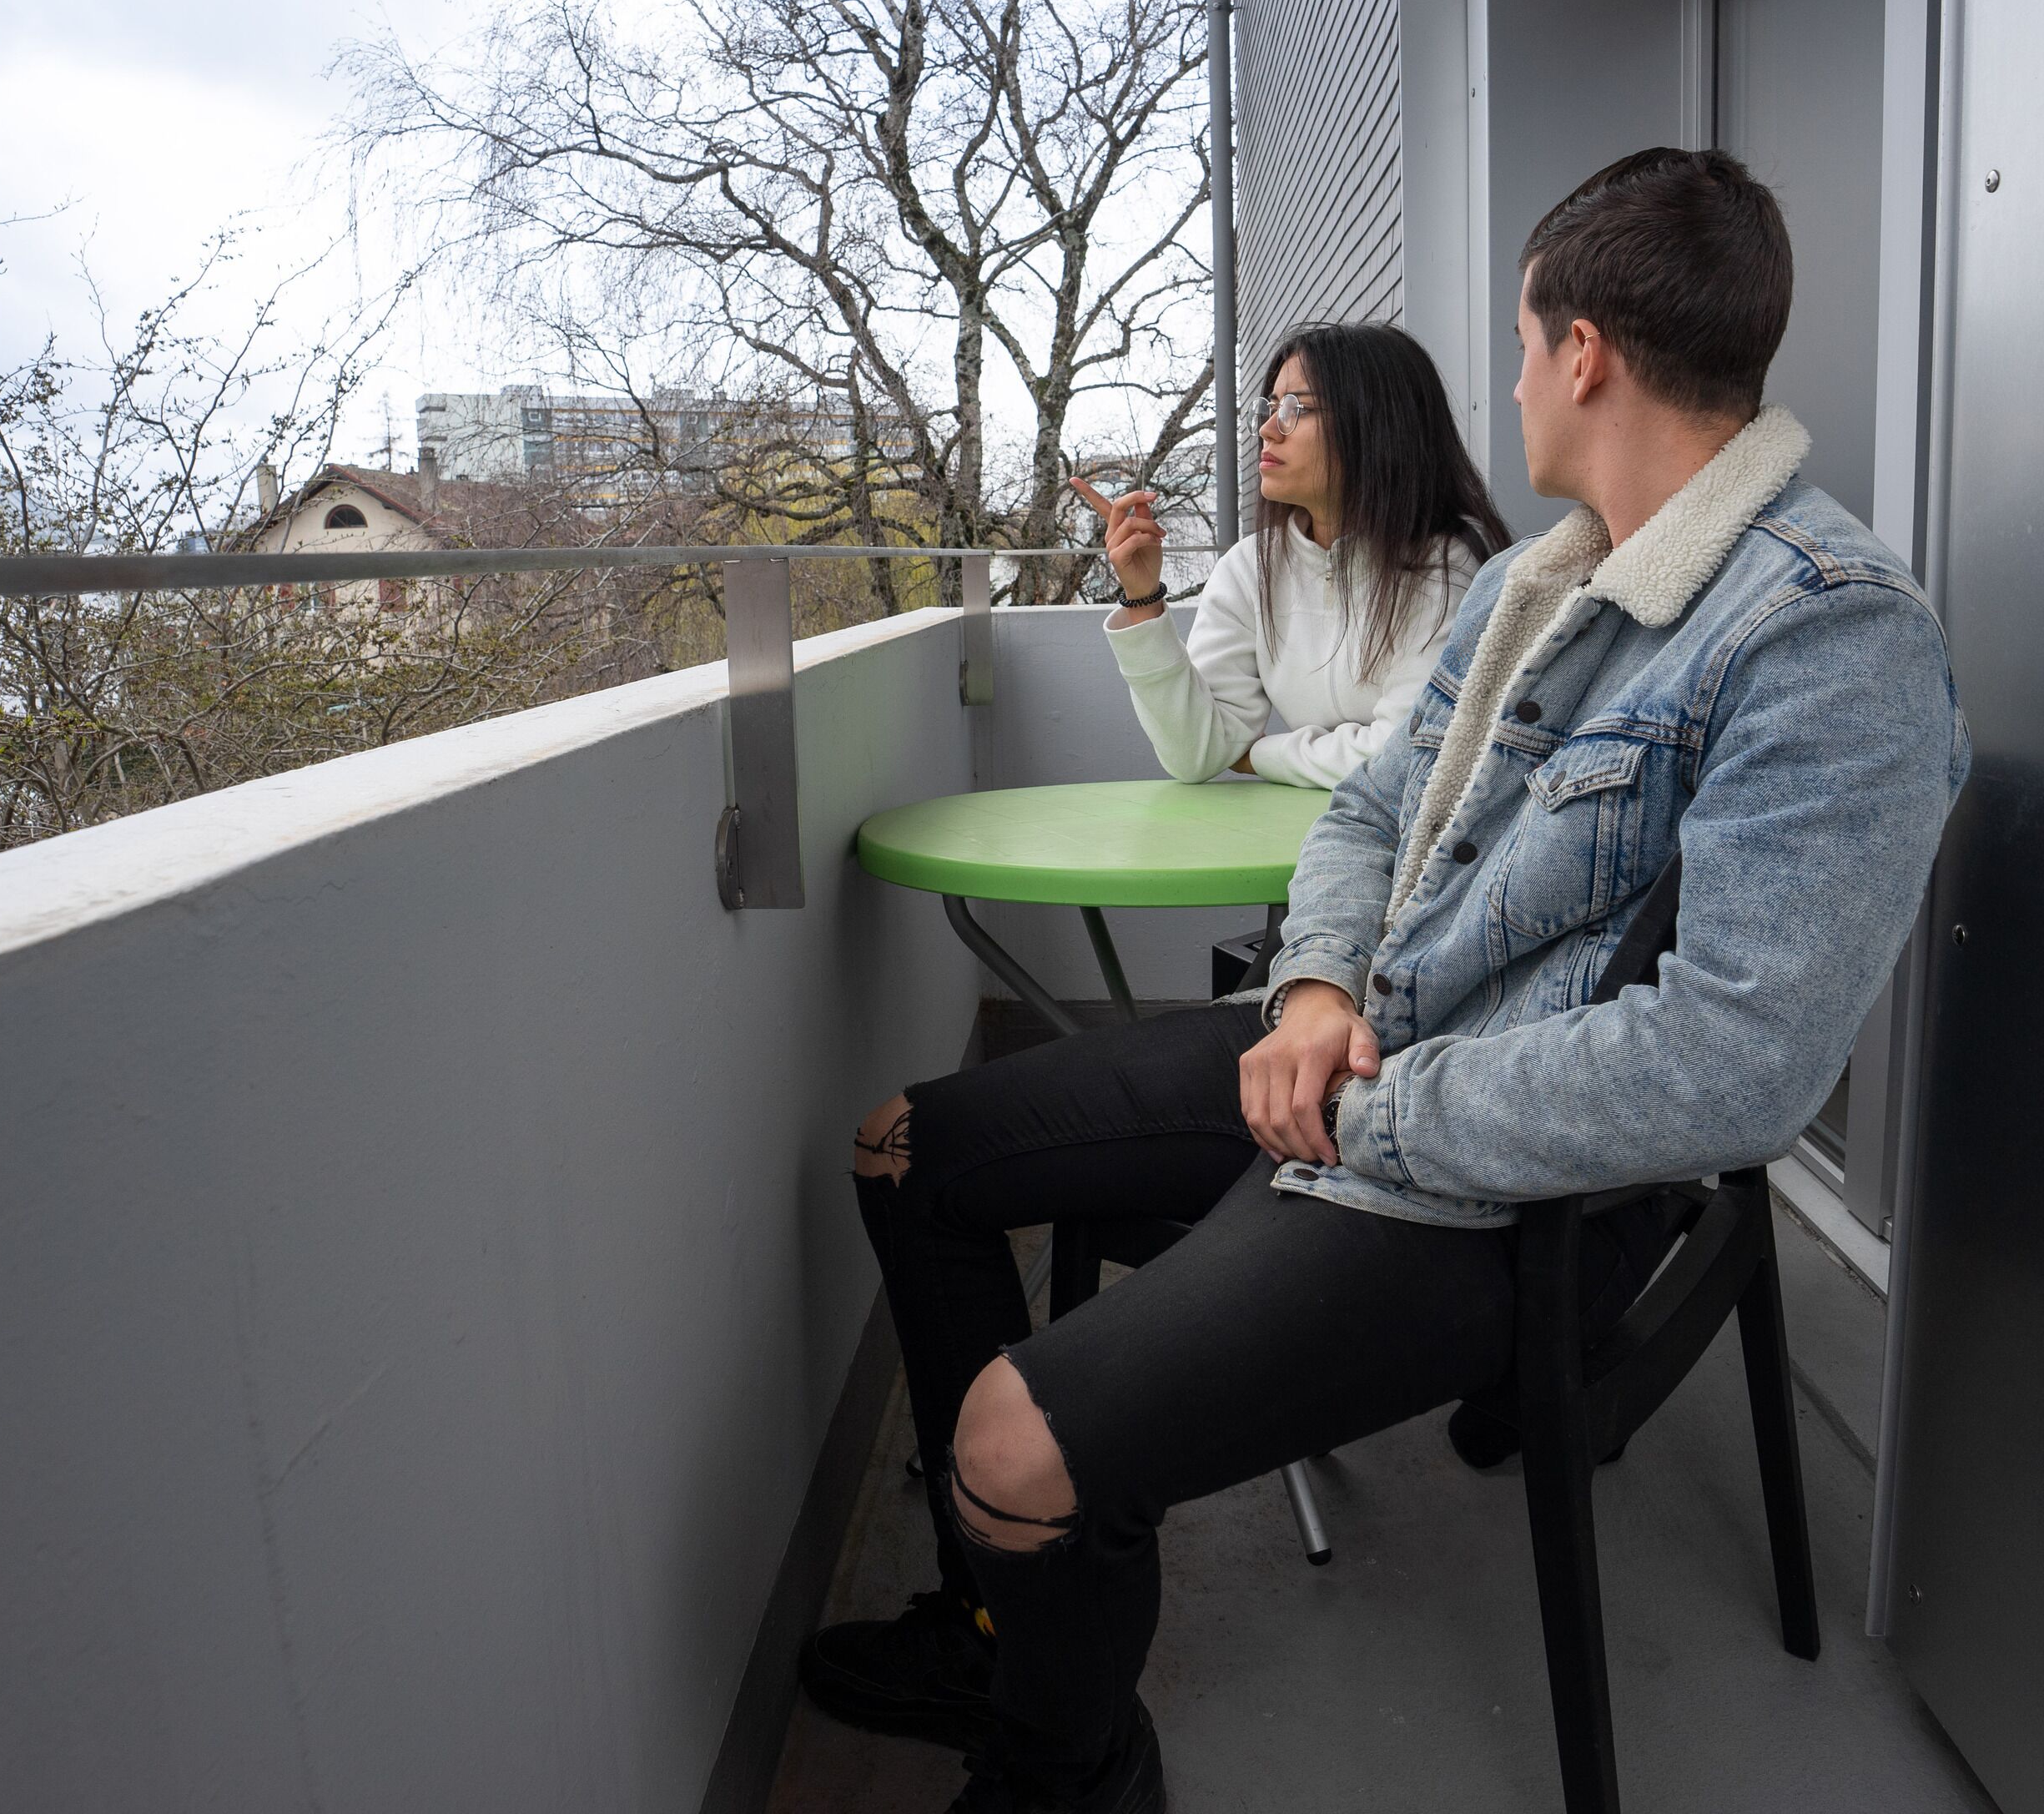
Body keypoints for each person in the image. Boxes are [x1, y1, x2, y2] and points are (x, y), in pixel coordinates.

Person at [805, 147, 1969, 1814]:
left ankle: (1066, 1760)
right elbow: (1361, 806)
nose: (1507, 381)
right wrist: (1313, 991)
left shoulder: (1830, 631)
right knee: (909, 1148)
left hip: (1498, 1185)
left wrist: (1375, 1094)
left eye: (1516, 341)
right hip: (1364, 1064)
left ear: (1584, 354)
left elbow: (1736, 1061)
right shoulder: (1532, 582)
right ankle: (1003, 1617)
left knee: (1012, 1441)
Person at [1066, 323, 1509, 788]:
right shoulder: (1249, 567)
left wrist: (1260, 756)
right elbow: (1196, 752)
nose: (1267, 429)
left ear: (1377, 423)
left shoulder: (1448, 568)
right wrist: (1143, 599)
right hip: (1313, 838)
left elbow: (1406, 755)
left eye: (1298, 408)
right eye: (1271, 406)